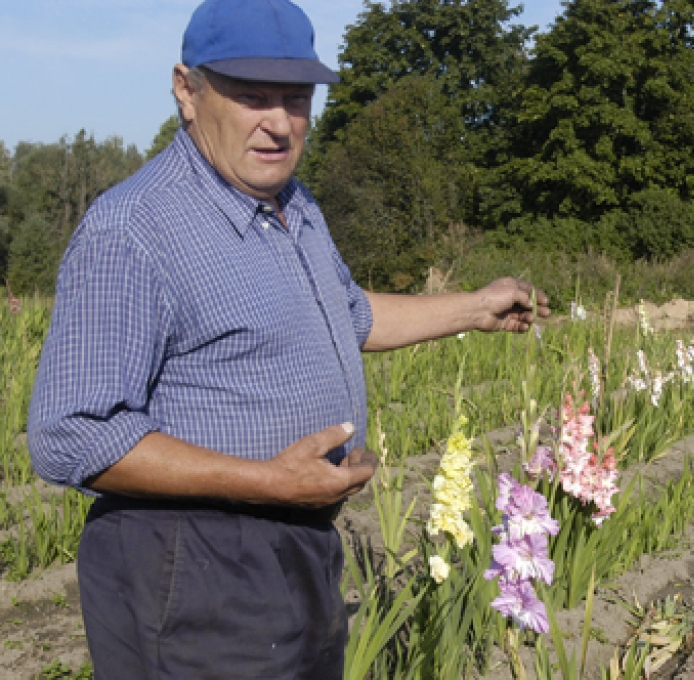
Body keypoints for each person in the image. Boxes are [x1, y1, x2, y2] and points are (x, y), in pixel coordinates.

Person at [26, 0, 549, 678]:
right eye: (251, 97)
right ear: (187, 90)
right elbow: (72, 434)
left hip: (294, 550)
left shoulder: (291, 205)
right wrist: (266, 482)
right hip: (192, 565)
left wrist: (475, 308)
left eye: (295, 98)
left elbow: (344, 314)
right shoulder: (134, 231)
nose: (278, 123)